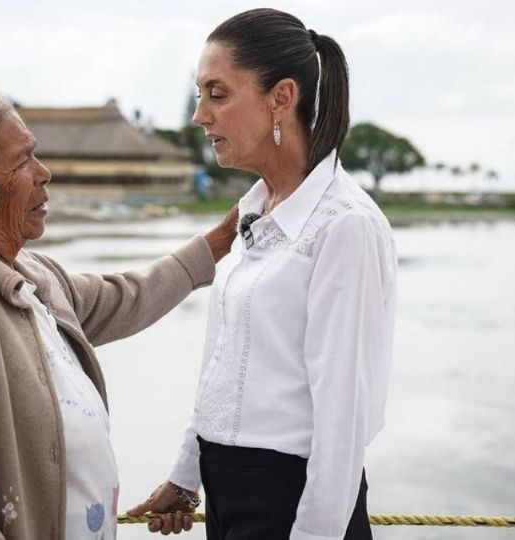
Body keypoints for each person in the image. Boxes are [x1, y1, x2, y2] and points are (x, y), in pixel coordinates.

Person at [0, 85, 237, 539]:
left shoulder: (25, 274)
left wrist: (218, 244)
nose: (44, 173)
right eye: (21, 163)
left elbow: (123, 297)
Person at [127, 9, 397, 540]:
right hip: (228, 492)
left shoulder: (344, 227)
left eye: (218, 94)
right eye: (200, 94)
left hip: (293, 501)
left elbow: (341, 421)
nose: (200, 116)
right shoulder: (253, 213)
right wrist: (186, 476)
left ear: (281, 97)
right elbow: (223, 365)